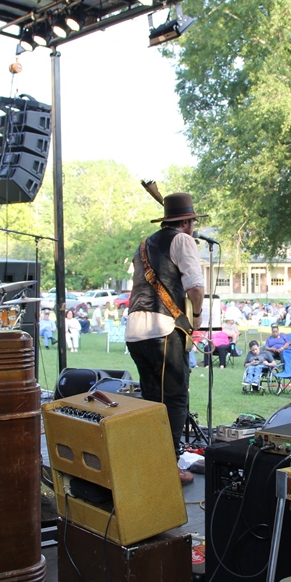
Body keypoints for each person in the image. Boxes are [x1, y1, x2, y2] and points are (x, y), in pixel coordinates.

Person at [125, 193, 205, 487]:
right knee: (174, 397)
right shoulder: (183, 240)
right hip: (162, 330)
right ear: (186, 222)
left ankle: (152, 461)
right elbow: (195, 287)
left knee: (151, 400)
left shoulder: (143, 245)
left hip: (135, 332)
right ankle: (168, 465)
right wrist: (196, 318)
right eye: (192, 222)